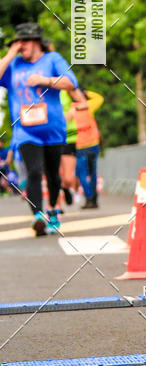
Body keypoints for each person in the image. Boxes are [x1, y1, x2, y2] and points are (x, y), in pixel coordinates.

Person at [0, 23, 79, 235]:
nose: (19, 46)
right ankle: (38, 215)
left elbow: (71, 82)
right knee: (34, 171)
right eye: (16, 43)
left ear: (35, 41)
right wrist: (9, 54)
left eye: (23, 42)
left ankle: (53, 210)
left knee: (53, 176)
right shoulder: (14, 64)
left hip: (53, 129)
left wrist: (44, 80)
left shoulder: (52, 59)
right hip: (25, 131)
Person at [69, 89, 103, 209]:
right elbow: (99, 98)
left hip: (80, 146)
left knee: (82, 174)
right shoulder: (88, 106)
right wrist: (87, 92)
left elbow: (65, 122)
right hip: (93, 144)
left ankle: (89, 198)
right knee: (93, 172)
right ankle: (94, 199)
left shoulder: (71, 109)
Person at [59, 88, 78, 205]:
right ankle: (55, 207)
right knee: (53, 175)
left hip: (69, 138)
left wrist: (73, 108)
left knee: (68, 178)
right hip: (52, 137)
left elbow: (84, 101)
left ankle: (65, 188)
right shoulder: (42, 92)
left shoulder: (67, 90)